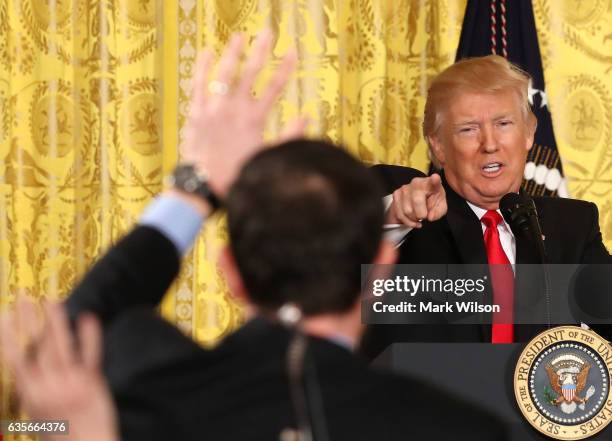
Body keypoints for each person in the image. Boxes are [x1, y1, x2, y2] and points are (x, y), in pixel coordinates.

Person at [0, 32, 508, 441]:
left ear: (231, 273)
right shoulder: (464, 428)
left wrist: (194, 188)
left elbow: (67, 343)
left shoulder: (151, 396)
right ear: (380, 263)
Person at [362, 55, 612, 357]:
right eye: (468, 129)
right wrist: (395, 216)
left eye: (503, 123)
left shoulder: (571, 226)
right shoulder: (409, 204)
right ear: (438, 145)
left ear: (529, 133)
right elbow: (339, 263)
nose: (490, 143)